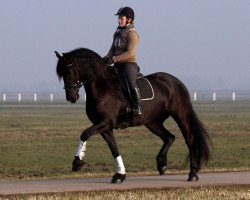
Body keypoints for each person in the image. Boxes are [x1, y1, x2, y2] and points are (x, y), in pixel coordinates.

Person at [103, 7, 142, 116]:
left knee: (131, 83)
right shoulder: (117, 32)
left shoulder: (132, 34)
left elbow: (129, 53)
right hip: (117, 64)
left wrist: (114, 59)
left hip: (129, 64)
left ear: (129, 19)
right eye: (118, 18)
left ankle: (137, 107)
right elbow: (112, 50)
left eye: (121, 18)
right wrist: (105, 59)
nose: (119, 20)